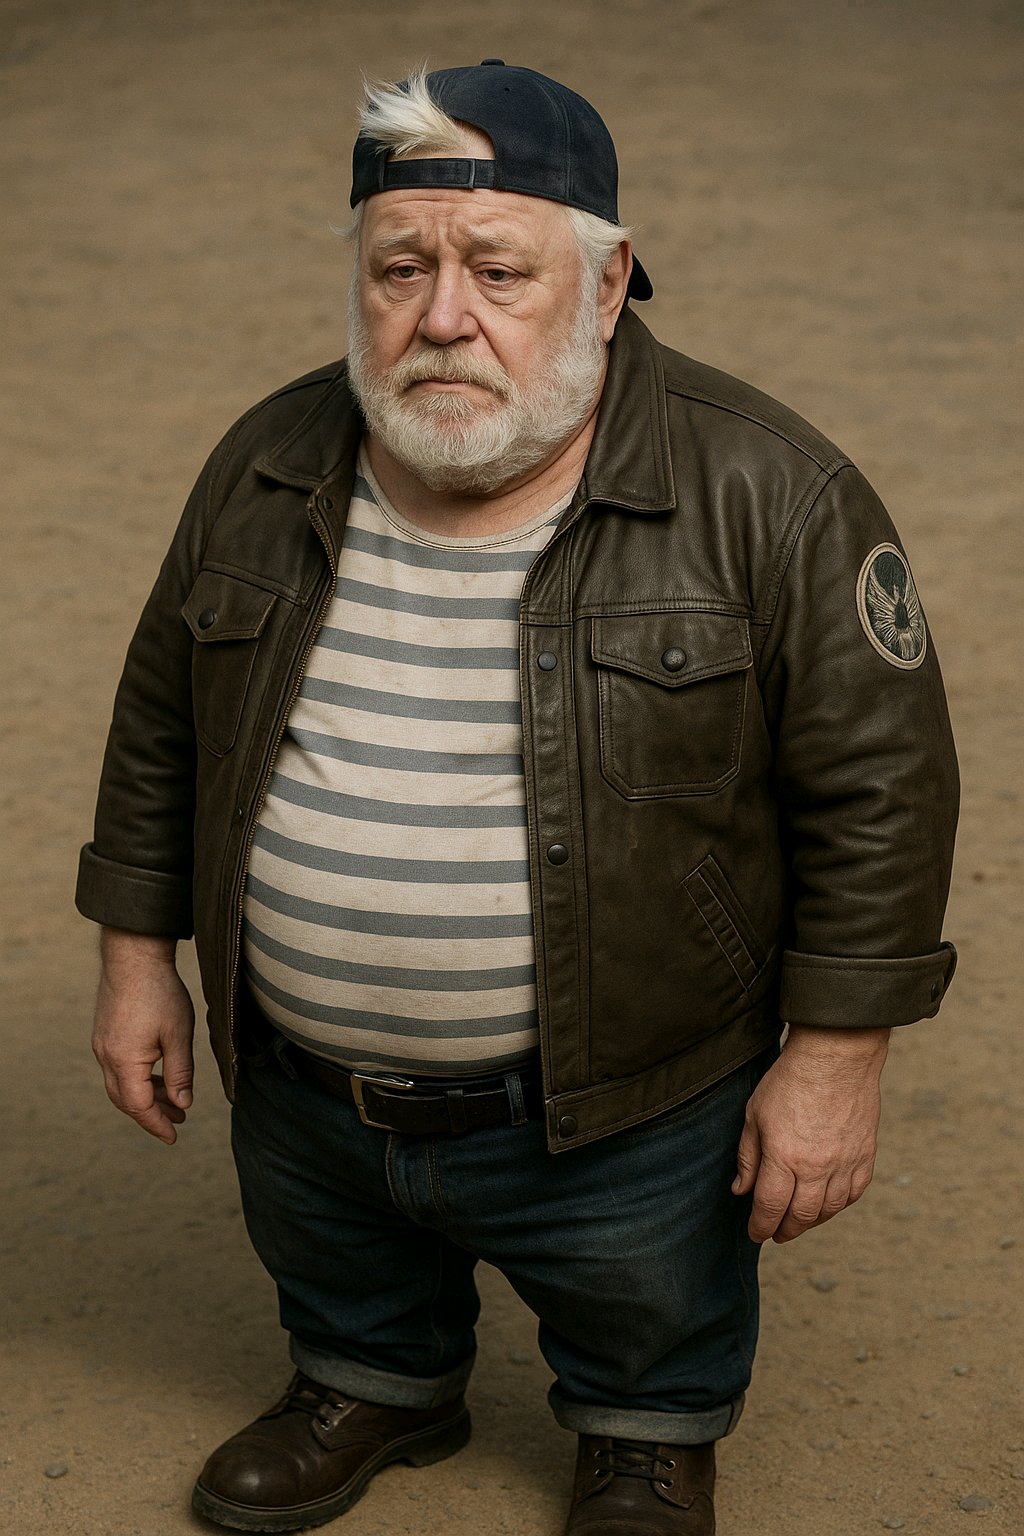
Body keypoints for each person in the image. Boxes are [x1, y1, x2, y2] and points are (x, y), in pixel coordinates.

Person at [76, 61, 959, 1536]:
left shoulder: (773, 493)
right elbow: (161, 721)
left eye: (497, 271)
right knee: (338, 1259)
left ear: (605, 286)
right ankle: (373, 1377)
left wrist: (835, 1058)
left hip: (636, 1106)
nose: (440, 317)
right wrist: (133, 959)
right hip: (302, 1083)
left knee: (650, 1304)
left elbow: (883, 793)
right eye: (399, 269)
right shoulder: (263, 463)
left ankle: (643, 1429)